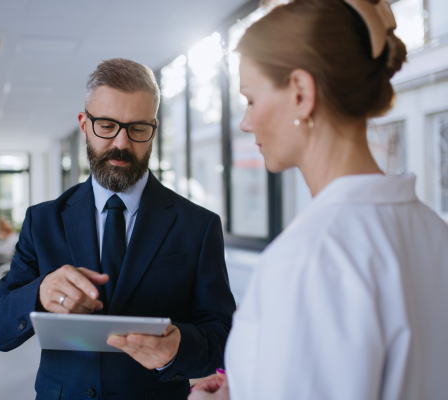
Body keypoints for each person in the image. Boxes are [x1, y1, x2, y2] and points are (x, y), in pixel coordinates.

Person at [190, 0, 448, 399]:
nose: (245, 122)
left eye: (251, 100)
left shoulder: (311, 257)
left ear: (300, 93)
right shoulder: (434, 231)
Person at [0, 58, 236, 400]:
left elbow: (224, 336)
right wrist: (40, 293)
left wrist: (178, 348)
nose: (121, 143)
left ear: (154, 131)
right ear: (84, 125)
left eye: (137, 128)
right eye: (106, 125)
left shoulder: (198, 225)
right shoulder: (43, 221)